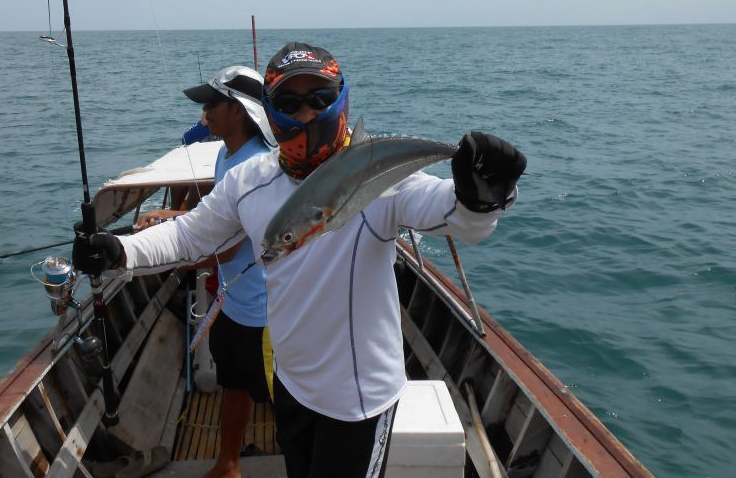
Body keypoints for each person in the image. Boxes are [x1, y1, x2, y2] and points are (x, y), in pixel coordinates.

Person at [74, 43, 526, 478]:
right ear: (270, 110)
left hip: (359, 401)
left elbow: (458, 218)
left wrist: (483, 196)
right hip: (290, 385)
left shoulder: (379, 180)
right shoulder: (251, 180)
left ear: (340, 100)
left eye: (320, 98)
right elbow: (191, 234)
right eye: (289, 100)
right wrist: (122, 250)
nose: (306, 112)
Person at [139, 65, 276, 478]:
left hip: (264, 314)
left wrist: (148, 258)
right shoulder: (224, 154)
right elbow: (212, 217)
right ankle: (228, 463)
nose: (204, 113)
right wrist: (166, 216)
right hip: (230, 303)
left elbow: (226, 244)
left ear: (238, 111)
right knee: (233, 384)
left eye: (211, 104)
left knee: (283, 397)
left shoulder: (255, 166)